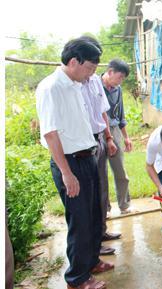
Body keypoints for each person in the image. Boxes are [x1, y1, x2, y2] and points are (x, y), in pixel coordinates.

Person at [36, 37, 113, 289]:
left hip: (86, 156)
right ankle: (77, 278)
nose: (92, 74)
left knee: (92, 215)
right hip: (70, 163)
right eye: (89, 68)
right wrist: (67, 173)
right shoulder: (51, 88)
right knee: (79, 221)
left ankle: (91, 262)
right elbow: (50, 133)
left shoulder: (76, 84)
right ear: (73, 62)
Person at [79, 36, 121, 256]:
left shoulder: (94, 80)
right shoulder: (72, 83)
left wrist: (109, 138)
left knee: (102, 188)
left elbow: (102, 112)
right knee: (89, 195)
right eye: (91, 62)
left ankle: (101, 231)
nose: (94, 67)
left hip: (99, 140)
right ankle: (92, 243)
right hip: (83, 145)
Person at [101, 59, 133, 215]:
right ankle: (104, 209)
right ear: (110, 71)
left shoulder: (117, 89)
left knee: (120, 169)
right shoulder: (94, 85)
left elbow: (120, 115)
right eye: (119, 77)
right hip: (98, 131)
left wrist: (126, 137)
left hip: (114, 130)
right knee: (101, 173)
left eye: (123, 79)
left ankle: (124, 205)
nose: (120, 81)